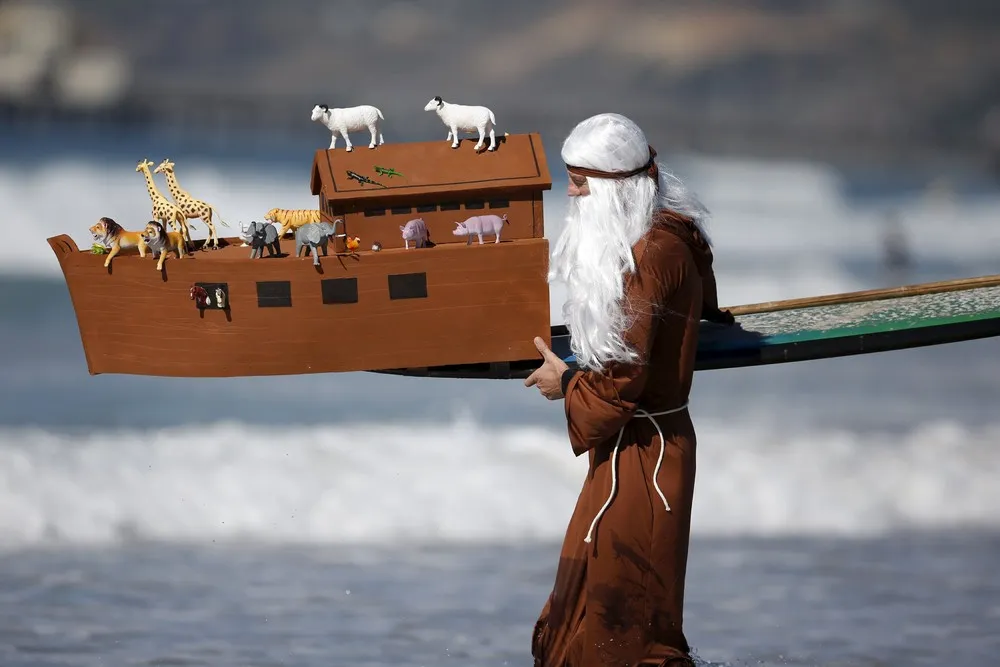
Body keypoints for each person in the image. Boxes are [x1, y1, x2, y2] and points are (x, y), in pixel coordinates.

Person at [524, 113, 733, 667]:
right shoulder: (669, 232)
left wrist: (564, 380)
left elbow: (621, 384)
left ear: (616, 185)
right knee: (589, 604)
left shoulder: (648, 256)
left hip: (646, 456)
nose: (570, 191)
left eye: (581, 180)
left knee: (628, 620)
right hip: (638, 450)